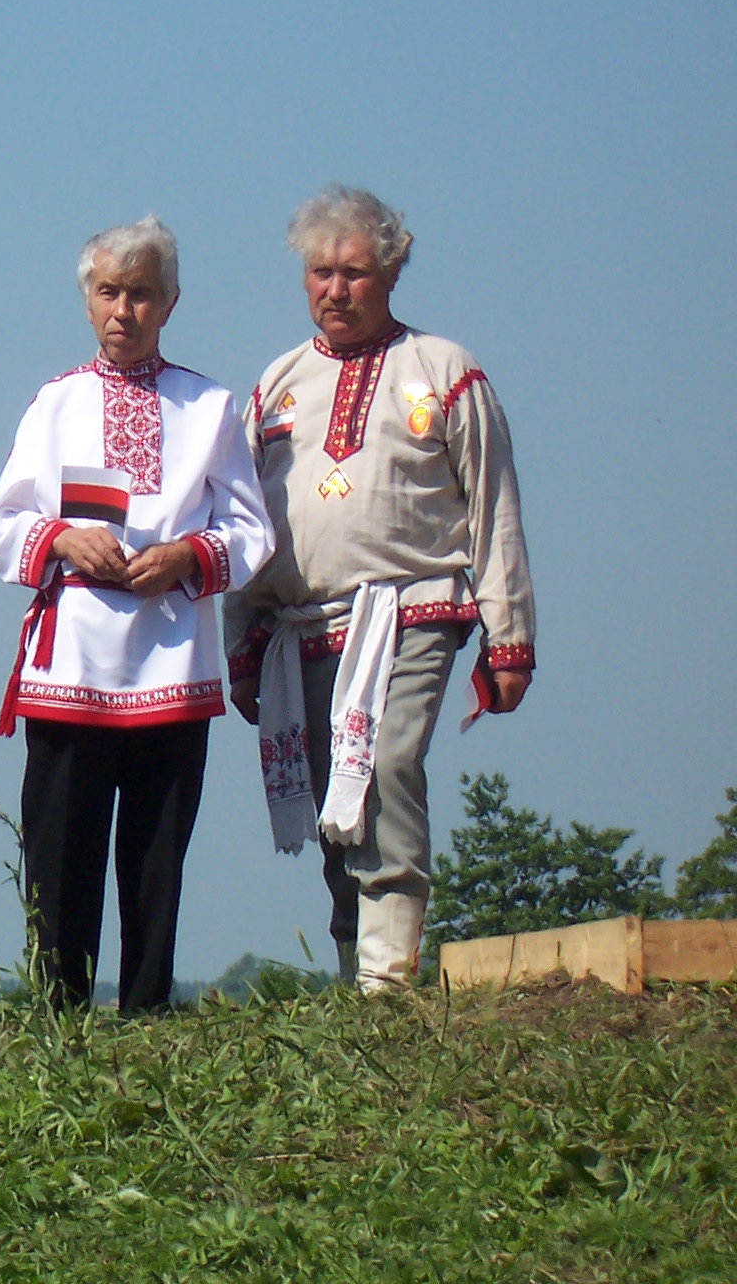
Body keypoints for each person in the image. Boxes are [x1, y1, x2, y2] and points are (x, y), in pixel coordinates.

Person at [225, 185, 536, 991]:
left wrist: (510, 638)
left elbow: (494, 504)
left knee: (388, 764)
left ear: (392, 272)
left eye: (355, 272)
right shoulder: (277, 385)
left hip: (413, 609)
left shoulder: (444, 371)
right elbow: (246, 522)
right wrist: (242, 641)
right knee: (335, 801)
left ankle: (390, 978)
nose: (337, 289)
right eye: (322, 272)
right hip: (304, 629)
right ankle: (354, 973)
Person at [0, 218, 272, 1011]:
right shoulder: (56, 404)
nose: (123, 310)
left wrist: (185, 557)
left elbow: (252, 531)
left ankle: (147, 1014)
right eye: (108, 292)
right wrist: (64, 538)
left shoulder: (209, 407)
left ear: (169, 302)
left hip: (173, 660)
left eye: (141, 294)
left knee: (155, 856)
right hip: (71, 662)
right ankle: (57, 1013)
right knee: (60, 850)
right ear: (86, 299)